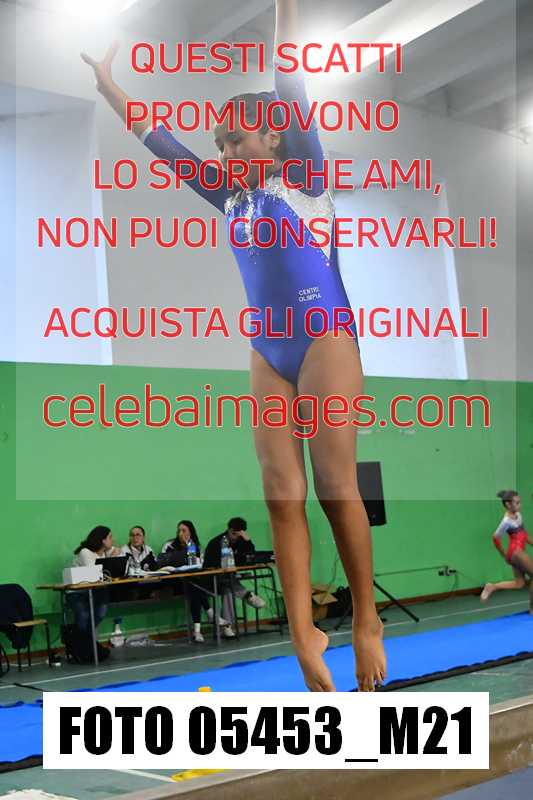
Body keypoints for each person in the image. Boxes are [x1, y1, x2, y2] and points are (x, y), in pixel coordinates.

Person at [81, 0, 386, 691]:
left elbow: (288, 76)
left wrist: (284, 5)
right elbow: (164, 147)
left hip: (325, 338)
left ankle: (367, 619)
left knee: (335, 486)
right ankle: (302, 629)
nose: (224, 154)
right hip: (267, 349)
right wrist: (109, 87)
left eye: (237, 141)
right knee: (280, 493)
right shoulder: (232, 199)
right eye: (220, 145)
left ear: (275, 138)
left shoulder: (304, 178)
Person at [162, 520, 228, 642]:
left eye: (184, 530)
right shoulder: (169, 545)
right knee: (195, 586)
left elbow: (197, 563)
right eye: (179, 530)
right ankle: (210, 615)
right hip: (174, 581)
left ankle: (197, 631)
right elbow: (164, 561)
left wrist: (188, 546)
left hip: (191, 580)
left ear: (190, 532)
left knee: (194, 588)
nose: (181, 533)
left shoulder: (195, 545)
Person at [202, 517, 267, 636]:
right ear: (229, 530)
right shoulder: (217, 542)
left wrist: (248, 540)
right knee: (227, 583)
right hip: (212, 580)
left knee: (228, 589)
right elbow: (210, 566)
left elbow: (251, 555)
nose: (235, 537)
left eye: (238, 534)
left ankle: (227, 626)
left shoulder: (241, 540)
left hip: (229, 579)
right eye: (233, 534)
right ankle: (247, 595)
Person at [481, 490, 533, 610]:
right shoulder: (506, 521)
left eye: (520, 502)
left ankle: (492, 587)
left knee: (519, 583)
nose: (520, 505)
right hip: (515, 552)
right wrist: (504, 555)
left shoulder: (518, 515)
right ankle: (532, 609)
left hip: (518, 552)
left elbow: (523, 535)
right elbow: (495, 538)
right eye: (517, 503)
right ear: (508, 505)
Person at [68, 525, 121, 632]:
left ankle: (88, 638)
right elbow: (95, 574)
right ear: (102, 540)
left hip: (95, 591)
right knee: (84, 616)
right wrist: (112, 558)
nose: (113, 540)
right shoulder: (85, 552)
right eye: (110, 537)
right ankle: (86, 639)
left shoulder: (104, 552)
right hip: (79, 592)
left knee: (101, 612)